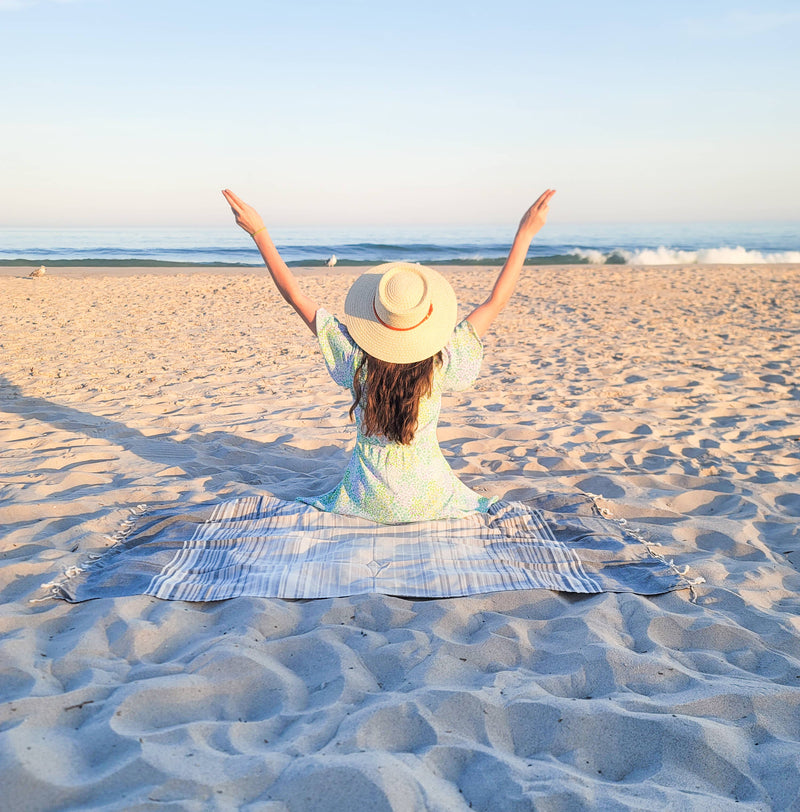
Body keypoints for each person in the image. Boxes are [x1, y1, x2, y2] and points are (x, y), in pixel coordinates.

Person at [222, 187, 556, 524]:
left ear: (376, 315)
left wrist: (259, 232)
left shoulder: (356, 359)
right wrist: (525, 234)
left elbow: (295, 296)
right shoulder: (441, 362)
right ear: (427, 317)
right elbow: (495, 302)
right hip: (429, 499)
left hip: (367, 500)